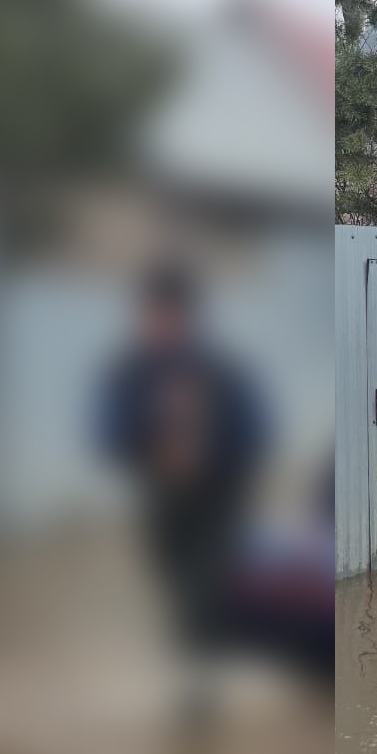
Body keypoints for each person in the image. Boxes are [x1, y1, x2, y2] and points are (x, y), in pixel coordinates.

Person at [98, 262, 268, 662]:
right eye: (154, 313)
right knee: (174, 583)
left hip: (219, 495)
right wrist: (153, 445)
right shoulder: (130, 373)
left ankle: (200, 671)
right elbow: (108, 437)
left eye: (170, 313)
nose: (161, 323)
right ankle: (197, 651)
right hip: (160, 496)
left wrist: (208, 454)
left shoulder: (222, 371)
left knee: (203, 583)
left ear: (188, 317)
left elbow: (254, 433)